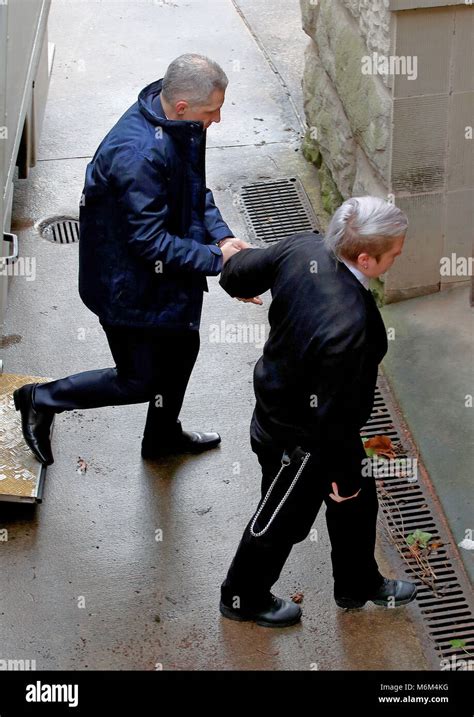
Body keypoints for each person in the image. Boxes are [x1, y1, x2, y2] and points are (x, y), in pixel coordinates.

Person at [13, 54, 247, 466]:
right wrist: (216, 258)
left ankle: (161, 438)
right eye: (213, 111)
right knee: (138, 380)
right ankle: (40, 399)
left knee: (182, 351)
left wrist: (223, 238)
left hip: (161, 281)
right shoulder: (138, 155)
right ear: (180, 106)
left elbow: (194, 191)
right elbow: (150, 243)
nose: (218, 119)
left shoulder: (180, 122)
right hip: (125, 288)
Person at [219, 196, 417, 627]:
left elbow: (238, 274)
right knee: (283, 516)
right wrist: (340, 475)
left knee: (358, 501)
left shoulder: (305, 247)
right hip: (303, 436)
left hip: (283, 403)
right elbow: (336, 416)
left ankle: (357, 583)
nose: (398, 258)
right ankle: (241, 596)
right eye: (394, 254)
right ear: (366, 258)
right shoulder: (351, 326)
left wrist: (231, 259)